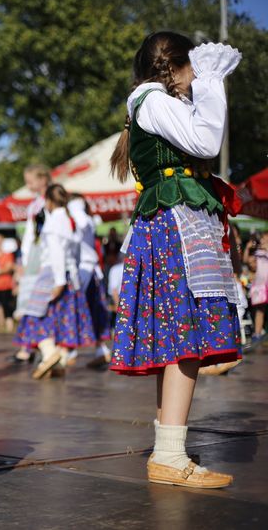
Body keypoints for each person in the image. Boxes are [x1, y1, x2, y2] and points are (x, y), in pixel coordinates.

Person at [108, 32, 242, 488]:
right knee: (182, 336)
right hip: (172, 225)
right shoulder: (149, 98)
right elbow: (207, 142)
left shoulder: (157, 101)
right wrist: (210, 85)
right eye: (194, 70)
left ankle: (168, 449)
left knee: (178, 336)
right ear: (179, 66)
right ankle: (168, 455)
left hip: (177, 221)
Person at [15, 184, 95, 379]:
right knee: (60, 318)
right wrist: (70, 277)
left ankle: (50, 353)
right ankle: (57, 362)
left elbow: (56, 253)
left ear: (49, 201)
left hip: (52, 274)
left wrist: (58, 282)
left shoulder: (53, 223)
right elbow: (73, 252)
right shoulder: (69, 220)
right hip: (69, 274)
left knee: (35, 317)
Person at [66, 195, 112, 368]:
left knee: (74, 308)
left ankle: (69, 350)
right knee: (92, 309)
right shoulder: (89, 219)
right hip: (91, 269)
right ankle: (101, 349)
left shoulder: (80, 218)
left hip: (83, 269)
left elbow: (80, 226)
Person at [13, 164, 51, 361]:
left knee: (37, 303)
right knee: (29, 303)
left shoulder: (50, 201)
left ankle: (36, 348)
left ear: (43, 179)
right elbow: (29, 235)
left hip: (44, 255)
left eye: (31, 180)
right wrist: (24, 259)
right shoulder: (35, 204)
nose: (28, 185)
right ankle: (28, 347)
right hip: (34, 255)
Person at [245, 231, 267, 341]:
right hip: (260, 285)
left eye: (265, 239)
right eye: (262, 239)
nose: (262, 241)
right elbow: (246, 261)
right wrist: (248, 248)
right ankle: (257, 333)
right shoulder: (257, 253)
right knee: (260, 310)